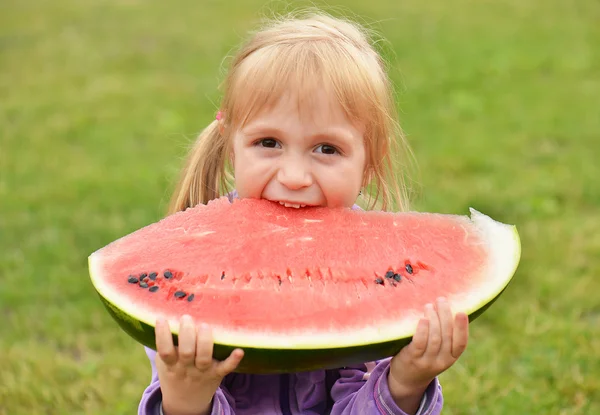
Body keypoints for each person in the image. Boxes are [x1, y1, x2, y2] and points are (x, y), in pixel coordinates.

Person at [138, 10, 469, 415]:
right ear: (230, 145)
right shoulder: (184, 265)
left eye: (327, 149)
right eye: (268, 142)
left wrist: (402, 385)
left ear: (369, 162)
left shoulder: (380, 274)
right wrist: (185, 400)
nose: (294, 176)